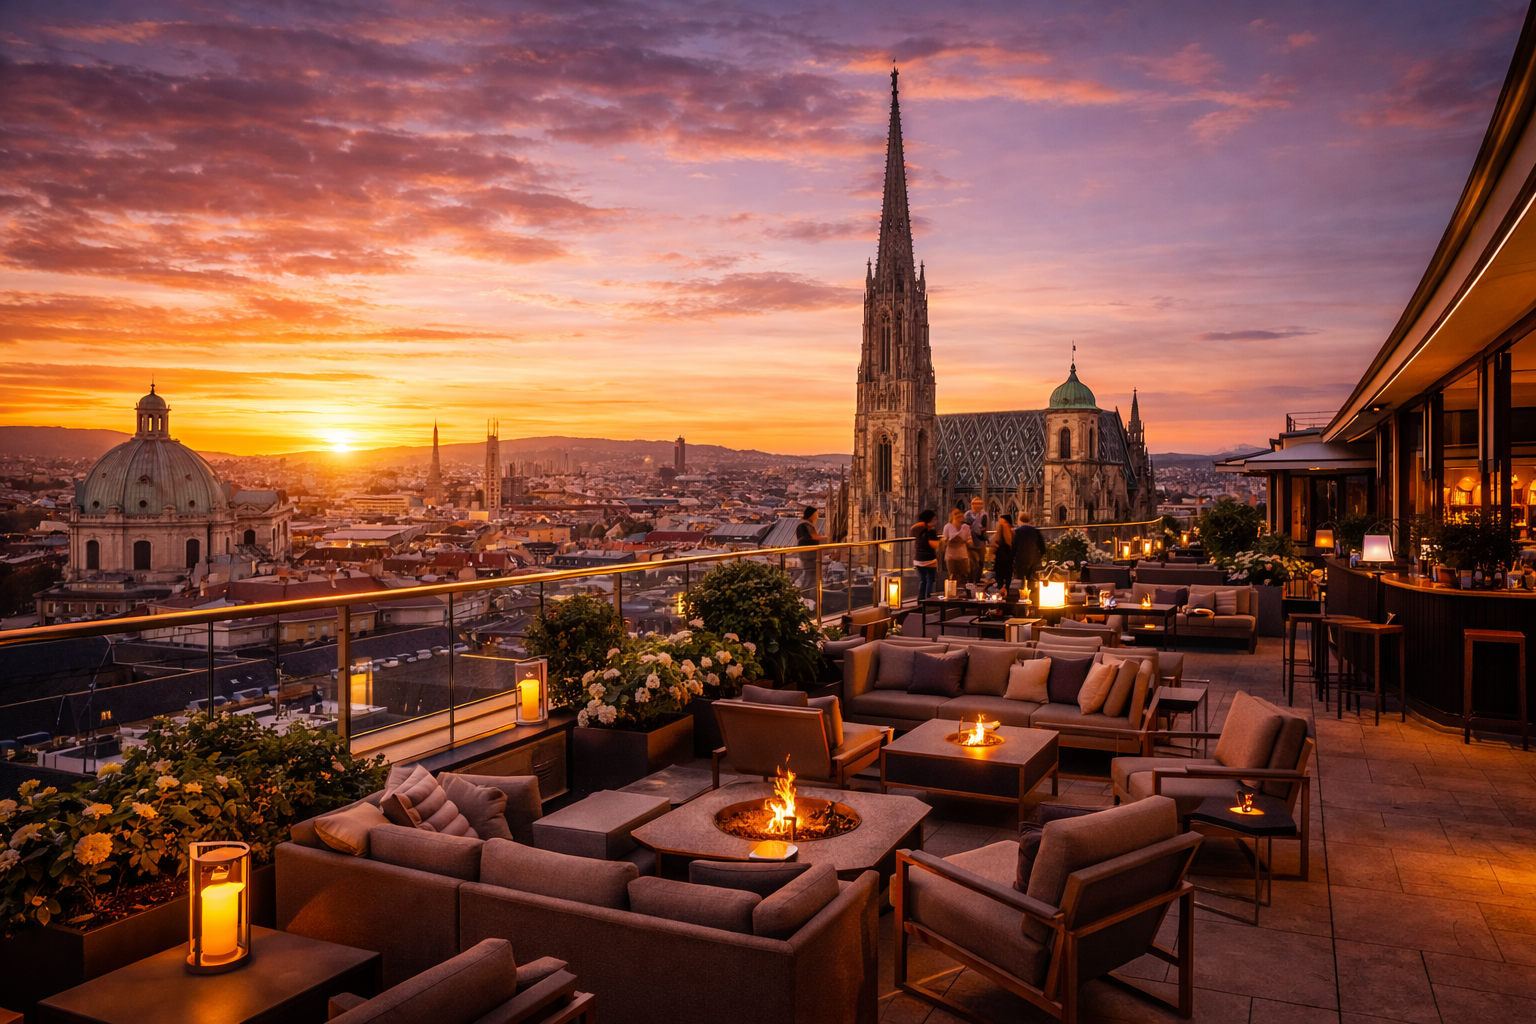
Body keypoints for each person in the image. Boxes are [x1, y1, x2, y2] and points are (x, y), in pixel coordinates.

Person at [794, 505, 826, 593]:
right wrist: (824, 538)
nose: (817, 516)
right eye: (816, 514)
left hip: (811, 553)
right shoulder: (803, 524)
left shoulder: (808, 524)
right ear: (811, 514)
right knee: (810, 573)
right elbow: (809, 537)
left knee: (811, 573)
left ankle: (808, 590)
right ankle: (806, 591)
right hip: (807, 553)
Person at [1013, 511, 1045, 601]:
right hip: (1033, 562)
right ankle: (1033, 601)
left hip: (1020, 562)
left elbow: (1013, 548)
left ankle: (1021, 602)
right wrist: (1038, 558)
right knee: (1032, 584)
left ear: (1019, 520)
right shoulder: (1036, 531)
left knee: (1020, 584)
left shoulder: (1017, 532)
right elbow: (1043, 548)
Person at [911, 510, 940, 601]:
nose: (935, 521)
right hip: (929, 559)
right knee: (930, 580)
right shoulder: (931, 530)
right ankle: (928, 601)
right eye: (934, 519)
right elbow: (934, 545)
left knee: (923, 580)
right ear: (930, 519)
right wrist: (941, 542)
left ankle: (920, 600)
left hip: (917, 559)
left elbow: (912, 532)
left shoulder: (916, 528)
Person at [942, 508, 972, 586]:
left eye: (960, 517)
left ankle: (964, 592)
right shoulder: (947, 527)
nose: (959, 519)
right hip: (951, 555)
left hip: (962, 554)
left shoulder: (965, 527)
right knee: (953, 576)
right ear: (953, 517)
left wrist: (967, 541)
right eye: (957, 517)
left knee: (963, 576)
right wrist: (947, 540)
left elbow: (969, 539)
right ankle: (953, 593)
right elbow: (944, 539)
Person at [963, 498, 989, 583]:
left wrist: (983, 533)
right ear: (972, 505)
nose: (978, 506)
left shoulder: (984, 514)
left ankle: (977, 580)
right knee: (973, 563)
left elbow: (985, 528)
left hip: (980, 543)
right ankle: (971, 580)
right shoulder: (968, 515)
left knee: (981, 562)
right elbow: (966, 528)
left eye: (980, 504)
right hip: (971, 543)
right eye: (976, 504)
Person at [991, 513, 1015, 600]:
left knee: (1002, 585)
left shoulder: (1001, 536)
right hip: (1004, 564)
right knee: (1003, 585)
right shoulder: (1009, 535)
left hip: (1003, 563)